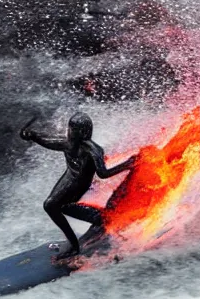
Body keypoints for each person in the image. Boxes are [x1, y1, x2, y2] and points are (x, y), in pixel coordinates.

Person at [20, 112, 136, 263]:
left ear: (83, 132)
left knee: (51, 205)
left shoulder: (93, 150)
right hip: (69, 177)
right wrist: (31, 135)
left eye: (73, 130)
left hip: (80, 183)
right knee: (60, 207)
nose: (70, 132)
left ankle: (75, 246)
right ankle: (98, 218)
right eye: (70, 128)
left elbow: (103, 173)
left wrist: (127, 164)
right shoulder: (68, 143)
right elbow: (49, 141)